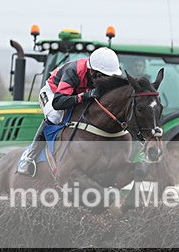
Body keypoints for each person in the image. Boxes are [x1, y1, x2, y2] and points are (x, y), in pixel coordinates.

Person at [16, 47, 122, 176]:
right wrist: (84, 96)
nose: (105, 80)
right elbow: (58, 103)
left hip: (74, 94)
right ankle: (30, 155)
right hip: (53, 93)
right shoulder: (74, 71)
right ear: (92, 71)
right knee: (55, 116)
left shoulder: (103, 73)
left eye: (108, 77)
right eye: (102, 76)